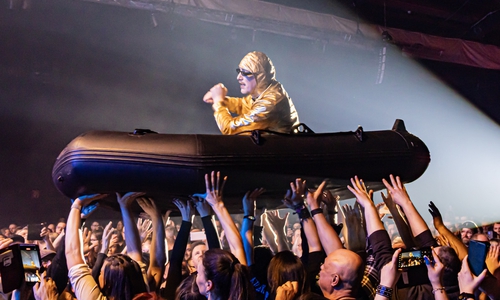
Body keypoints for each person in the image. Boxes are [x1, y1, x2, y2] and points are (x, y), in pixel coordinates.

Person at [203, 51, 299, 135]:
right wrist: (222, 99)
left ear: (261, 76)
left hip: (278, 153)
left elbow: (230, 129)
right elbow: (243, 105)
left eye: (245, 73)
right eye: (239, 72)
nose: (239, 77)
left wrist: (218, 103)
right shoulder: (267, 90)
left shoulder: (271, 103)